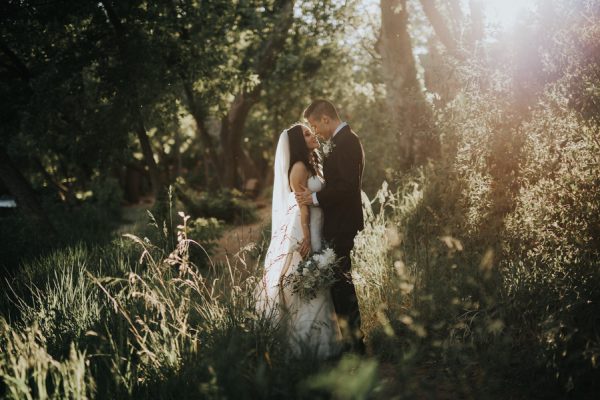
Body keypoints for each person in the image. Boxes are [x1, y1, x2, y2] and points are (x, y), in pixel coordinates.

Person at [256, 123, 342, 359]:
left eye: (310, 131)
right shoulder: (298, 167)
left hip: (317, 226)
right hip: (306, 228)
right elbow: (301, 206)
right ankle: (305, 345)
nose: (312, 135)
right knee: (306, 278)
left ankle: (321, 341)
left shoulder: (312, 163)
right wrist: (306, 236)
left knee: (315, 279)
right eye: (306, 133)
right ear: (297, 142)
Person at [294, 99, 366, 354]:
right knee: (339, 285)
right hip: (339, 223)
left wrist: (314, 198)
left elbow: (347, 187)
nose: (315, 131)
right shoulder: (342, 140)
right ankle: (352, 345)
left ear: (326, 119)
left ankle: (355, 348)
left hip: (343, 225)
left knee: (342, 287)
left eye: (315, 125)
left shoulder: (346, 142)